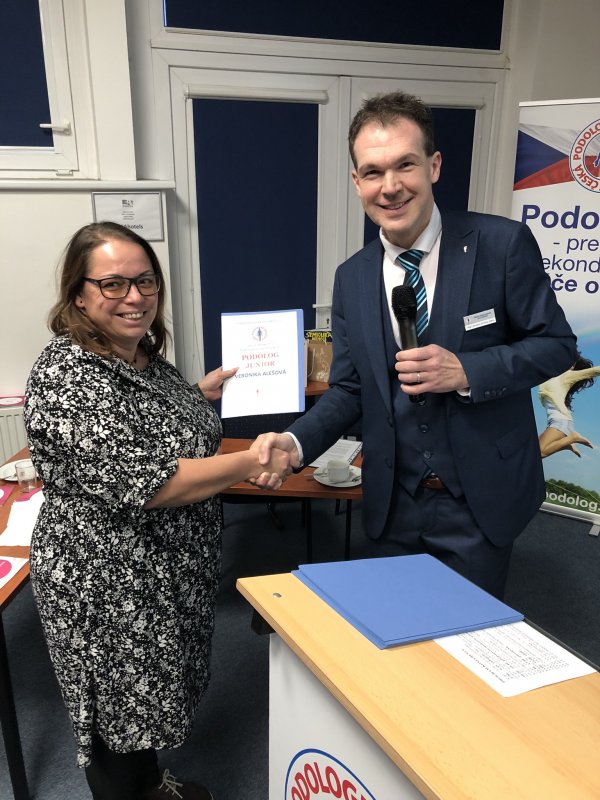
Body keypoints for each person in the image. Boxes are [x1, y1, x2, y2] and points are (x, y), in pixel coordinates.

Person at [256, 90, 577, 599]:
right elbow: (349, 390)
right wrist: (294, 443)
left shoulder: (501, 246)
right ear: (357, 181)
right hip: (392, 503)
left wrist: (468, 371)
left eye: (405, 164)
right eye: (373, 172)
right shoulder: (351, 278)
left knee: (470, 638)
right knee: (395, 630)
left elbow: (556, 344)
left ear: (434, 165)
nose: (390, 187)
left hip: (479, 502)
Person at [23, 221, 290, 800]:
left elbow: (145, 427)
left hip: (165, 571)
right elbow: (152, 481)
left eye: (145, 281)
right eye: (113, 284)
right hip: (106, 578)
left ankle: (151, 785)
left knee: (147, 698)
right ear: (78, 295)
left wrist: (196, 395)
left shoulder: (142, 355)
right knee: (117, 711)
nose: (135, 296)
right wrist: (250, 460)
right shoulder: (66, 374)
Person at [538, 353, 600, 458]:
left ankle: (573, 437)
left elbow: (594, 371)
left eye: (573, 363)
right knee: (533, 450)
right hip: (553, 421)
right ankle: (567, 444)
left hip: (561, 421)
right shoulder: (553, 375)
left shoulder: (568, 375)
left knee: (539, 453)